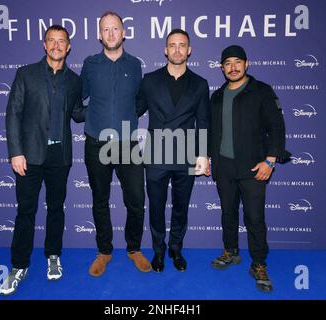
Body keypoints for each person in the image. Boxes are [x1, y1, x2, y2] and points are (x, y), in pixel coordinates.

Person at [0, 25, 85, 295]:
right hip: (30, 155)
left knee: (56, 208)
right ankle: (19, 265)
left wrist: (106, 102)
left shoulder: (74, 80)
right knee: (26, 211)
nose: (57, 46)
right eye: (52, 41)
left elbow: (79, 114)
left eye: (62, 41)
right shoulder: (26, 74)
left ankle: (53, 255)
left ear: (68, 47)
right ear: (44, 45)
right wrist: (15, 151)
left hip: (60, 156)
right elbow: (13, 113)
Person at [208, 45, 290, 292]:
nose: (232, 67)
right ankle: (231, 251)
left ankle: (258, 263)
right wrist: (212, 160)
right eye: (227, 63)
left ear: (246, 64)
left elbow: (277, 127)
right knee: (228, 213)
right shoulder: (218, 96)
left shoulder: (261, 91)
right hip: (224, 167)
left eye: (237, 62)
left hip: (254, 167)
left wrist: (270, 160)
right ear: (222, 68)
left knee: (255, 218)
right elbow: (213, 132)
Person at [81, 11, 151, 276]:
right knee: (100, 200)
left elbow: (140, 101)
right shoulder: (90, 64)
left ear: (124, 33)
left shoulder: (134, 65)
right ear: (99, 34)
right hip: (97, 144)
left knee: (135, 200)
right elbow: (78, 99)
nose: (110, 34)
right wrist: (93, 118)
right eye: (105, 29)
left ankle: (134, 248)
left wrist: (127, 117)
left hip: (128, 143)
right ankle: (104, 251)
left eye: (115, 29)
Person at [137, 29, 209, 272]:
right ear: (165, 50)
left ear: (189, 50)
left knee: (181, 207)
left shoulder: (200, 84)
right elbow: (134, 109)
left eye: (182, 45)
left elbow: (203, 122)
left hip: (186, 155)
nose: (177, 49)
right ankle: (158, 250)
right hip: (156, 155)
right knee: (156, 207)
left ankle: (175, 249)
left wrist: (203, 154)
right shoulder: (149, 80)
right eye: (172, 45)